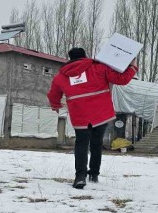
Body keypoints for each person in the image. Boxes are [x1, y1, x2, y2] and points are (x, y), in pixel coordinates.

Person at [47, 47, 137, 189]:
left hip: (79, 114)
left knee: (81, 144)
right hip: (100, 113)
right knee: (96, 144)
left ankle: (80, 177)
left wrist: (55, 105)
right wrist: (132, 66)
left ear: (70, 58)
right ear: (84, 56)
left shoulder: (60, 76)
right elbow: (122, 79)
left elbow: (53, 94)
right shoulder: (98, 68)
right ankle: (94, 174)